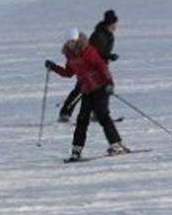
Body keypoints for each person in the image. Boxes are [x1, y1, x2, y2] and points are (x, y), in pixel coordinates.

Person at [46, 29, 127, 161]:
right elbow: (68, 73)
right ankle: (76, 151)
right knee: (82, 120)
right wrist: (54, 67)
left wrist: (109, 83)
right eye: (68, 42)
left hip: (101, 88)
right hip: (87, 90)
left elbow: (102, 67)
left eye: (73, 41)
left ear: (78, 39)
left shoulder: (88, 51)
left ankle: (116, 144)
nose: (71, 44)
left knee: (102, 115)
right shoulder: (70, 55)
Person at [59, 10, 120, 123]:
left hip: (98, 67)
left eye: (116, 24)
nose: (115, 27)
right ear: (108, 24)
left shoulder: (108, 34)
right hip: (89, 68)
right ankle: (65, 113)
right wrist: (108, 56)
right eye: (113, 25)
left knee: (98, 91)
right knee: (81, 90)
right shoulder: (99, 35)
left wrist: (107, 58)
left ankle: (96, 113)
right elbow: (93, 54)